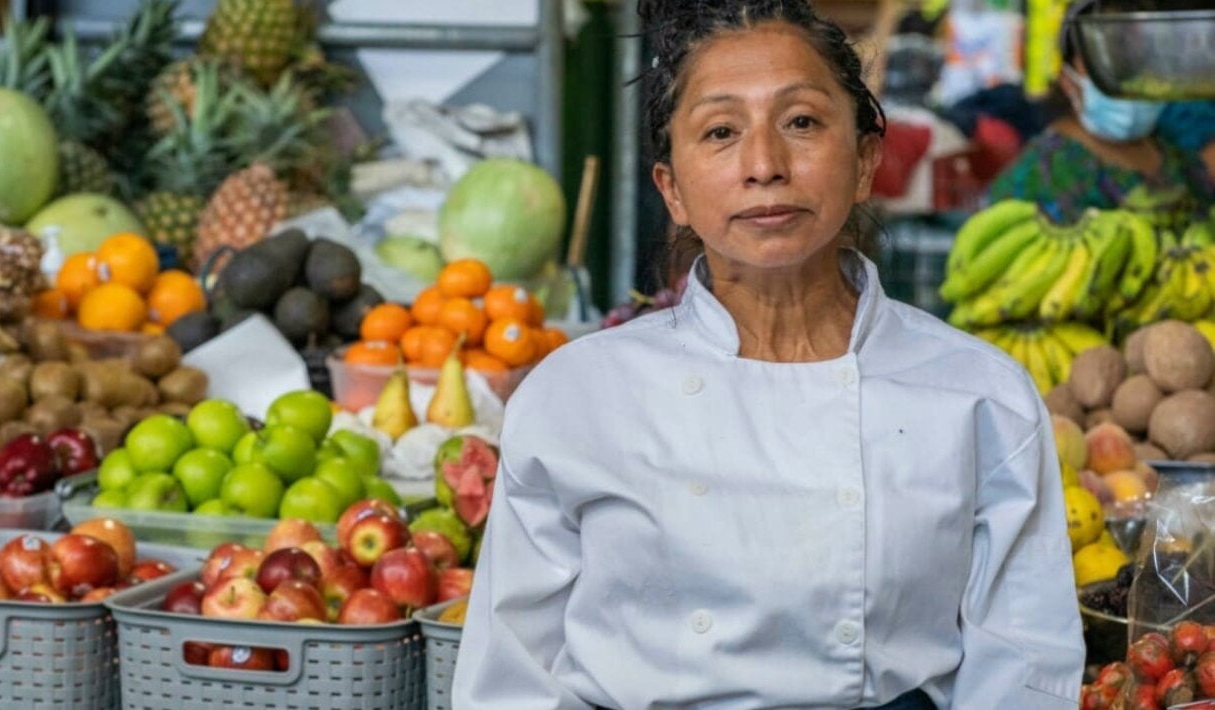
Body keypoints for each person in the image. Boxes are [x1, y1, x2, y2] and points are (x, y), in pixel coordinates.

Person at [451, 1, 1085, 708]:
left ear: (867, 159)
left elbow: (1023, 665)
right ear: (672, 190)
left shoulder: (980, 394)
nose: (764, 165)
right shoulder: (578, 394)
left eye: (802, 122)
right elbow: (511, 677)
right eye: (721, 131)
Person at [988, 0, 1214, 224]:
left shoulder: (1174, 151)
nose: (1125, 77)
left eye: (1141, 58)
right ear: (1067, 78)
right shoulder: (1036, 180)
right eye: (1110, 57)